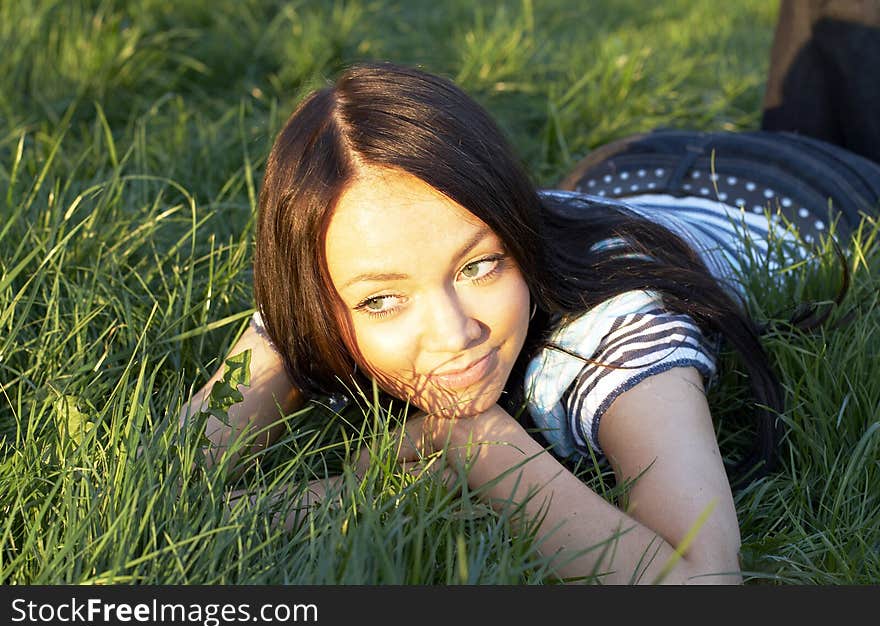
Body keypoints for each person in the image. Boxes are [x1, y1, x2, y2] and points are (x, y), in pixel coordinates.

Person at [176, 33, 880, 585]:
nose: (455, 333)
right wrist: (358, 475)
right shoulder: (328, 285)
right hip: (627, 167)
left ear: (512, 229)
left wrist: (472, 443)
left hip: (810, 202)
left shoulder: (614, 326)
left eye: (478, 264)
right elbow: (173, 476)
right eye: (383, 299)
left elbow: (701, 579)